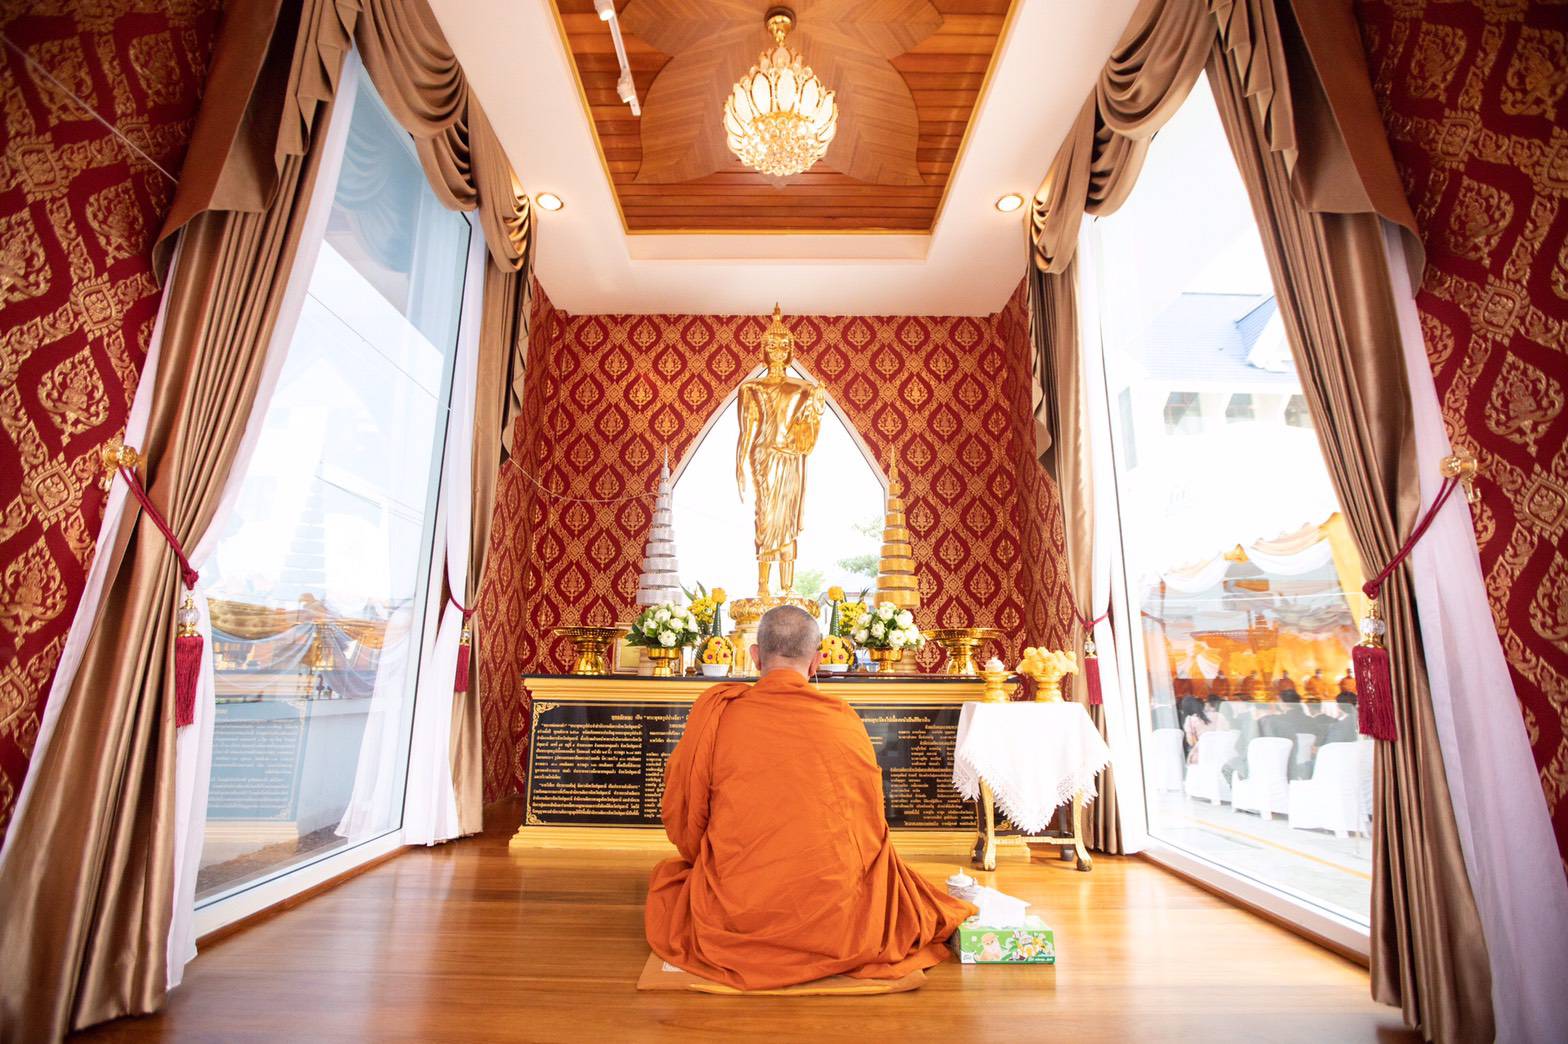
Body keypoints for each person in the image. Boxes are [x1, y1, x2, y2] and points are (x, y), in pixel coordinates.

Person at [645, 605, 974, 989]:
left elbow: (684, 812)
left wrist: (707, 857)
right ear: (816, 661)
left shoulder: (722, 715)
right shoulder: (841, 718)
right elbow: (869, 826)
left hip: (741, 907)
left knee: (669, 880)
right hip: (837, 913)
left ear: (755, 656)